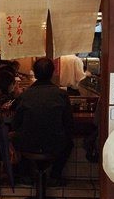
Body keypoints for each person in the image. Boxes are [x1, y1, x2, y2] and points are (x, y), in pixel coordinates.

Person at [11, 57, 74, 186]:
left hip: (27, 144)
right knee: (69, 143)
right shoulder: (61, 94)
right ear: (53, 72)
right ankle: (55, 176)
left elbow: (15, 124)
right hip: (54, 144)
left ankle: (26, 175)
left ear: (34, 72)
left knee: (15, 138)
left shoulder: (25, 95)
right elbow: (69, 124)